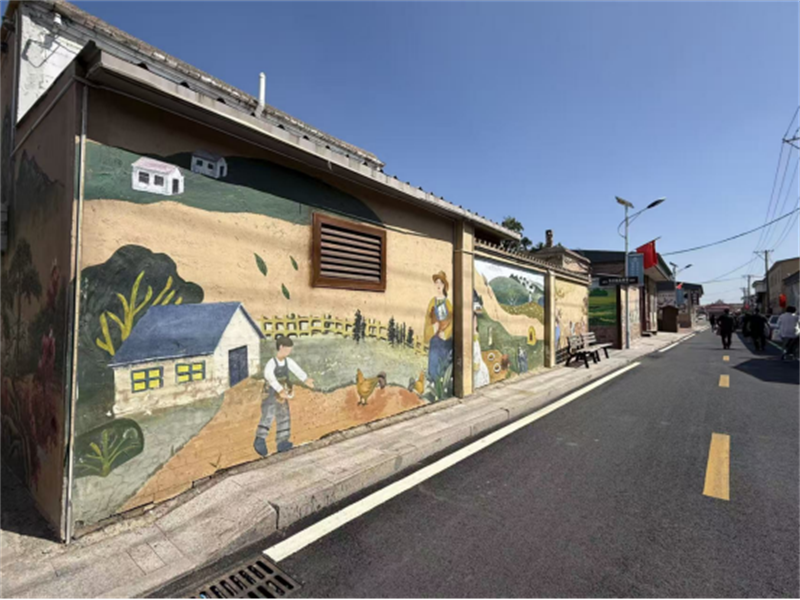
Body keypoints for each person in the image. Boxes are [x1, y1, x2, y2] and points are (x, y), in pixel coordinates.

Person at [253, 335, 315, 458]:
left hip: (283, 393)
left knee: (284, 414)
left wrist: (305, 379)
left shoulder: (288, 361)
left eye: (290, 350)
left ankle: (282, 441)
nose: (288, 352)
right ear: (281, 347)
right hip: (271, 392)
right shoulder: (272, 363)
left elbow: (296, 370)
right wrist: (279, 389)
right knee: (269, 414)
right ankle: (260, 439)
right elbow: (269, 376)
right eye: (287, 349)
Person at [424, 272, 454, 386]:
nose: (438, 285)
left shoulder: (448, 303)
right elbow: (427, 319)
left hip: (445, 342)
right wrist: (432, 328)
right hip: (435, 339)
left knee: (444, 363)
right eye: (437, 282)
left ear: (444, 285)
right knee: (434, 359)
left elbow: (453, 320)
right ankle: (432, 382)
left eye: (441, 282)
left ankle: (443, 385)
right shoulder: (432, 302)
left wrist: (446, 333)